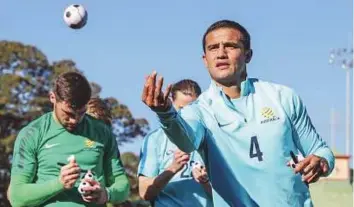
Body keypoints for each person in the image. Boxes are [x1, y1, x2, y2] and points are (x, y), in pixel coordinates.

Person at [141, 20, 335, 206]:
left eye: (231, 46)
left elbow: (320, 150)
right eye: (213, 48)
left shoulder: (283, 97)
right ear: (205, 59)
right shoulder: (198, 110)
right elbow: (186, 142)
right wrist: (165, 113)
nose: (221, 53)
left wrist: (321, 161)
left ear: (248, 55)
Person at [8, 72, 130, 207]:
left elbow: (122, 186)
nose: (75, 120)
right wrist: (59, 183)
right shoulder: (32, 134)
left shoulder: (102, 132)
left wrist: (105, 194)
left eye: (81, 113)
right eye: (68, 114)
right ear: (52, 98)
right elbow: (17, 197)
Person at [138, 79, 213, 207]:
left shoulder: (212, 138)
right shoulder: (154, 139)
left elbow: (231, 197)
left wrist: (205, 181)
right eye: (181, 109)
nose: (187, 116)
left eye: (192, 110)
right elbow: (145, 192)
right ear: (171, 103)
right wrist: (172, 168)